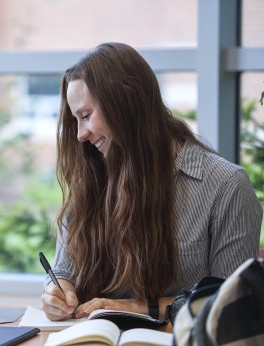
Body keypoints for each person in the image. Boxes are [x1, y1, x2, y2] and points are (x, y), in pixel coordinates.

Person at [41, 42, 263, 322]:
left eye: (86, 116)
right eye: (76, 121)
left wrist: (134, 307)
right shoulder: (91, 177)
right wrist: (57, 292)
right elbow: (64, 272)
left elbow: (231, 306)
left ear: (127, 100)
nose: (80, 135)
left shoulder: (226, 186)